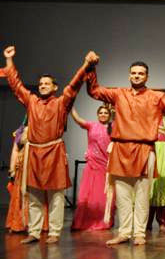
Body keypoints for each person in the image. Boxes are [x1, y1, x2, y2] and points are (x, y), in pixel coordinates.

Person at [86, 60, 165, 245]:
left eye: (141, 73)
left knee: (143, 196)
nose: (136, 76)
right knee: (123, 196)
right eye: (134, 73)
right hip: (121, 148)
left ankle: (140, 233)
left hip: (144, 150)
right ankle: (124, 232)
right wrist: (91, 67)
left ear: (147, 76)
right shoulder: (119, 94)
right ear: (129, 75)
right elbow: (94, 91)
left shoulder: (156, 96)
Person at [3, 45, 98, 244]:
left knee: (56, 195)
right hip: (34, 153)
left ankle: (54, 232)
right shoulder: (31, 101)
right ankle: (34, 232)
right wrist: (9, 61)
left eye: (47, 83)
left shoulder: (62, 103)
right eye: (40, 83)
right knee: (35, 193)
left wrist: (86, 64)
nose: (43, 85)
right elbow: (15, 84)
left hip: (54, 151)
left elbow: (74, 84)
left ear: (54, 87)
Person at [71, 105, 114, 230]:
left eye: (106, 113)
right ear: (97, 114)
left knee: (102, 195)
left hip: (106, 165)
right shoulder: (91, 125)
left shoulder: (113, 127)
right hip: (92, 164)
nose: (103, 114)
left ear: (109, 115)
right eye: (101, 112)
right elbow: (78, 119)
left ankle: (102, 220)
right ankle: (85, 221)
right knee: (88, 194)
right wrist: (71, 106)